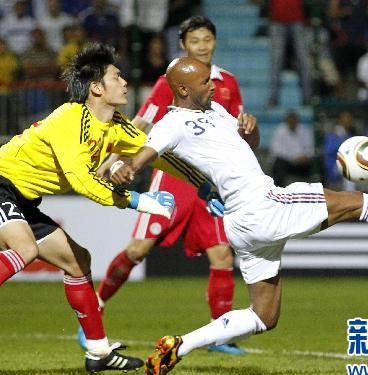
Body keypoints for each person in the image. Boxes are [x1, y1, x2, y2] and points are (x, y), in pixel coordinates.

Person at [110, 57, 368, 375]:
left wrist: (250, 134)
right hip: (262, 205)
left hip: (243, 225)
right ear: (184, 89)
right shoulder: (172, 123)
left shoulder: (216, 111)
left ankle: (180, 345)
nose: (214, 84)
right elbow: (145, 153)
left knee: (263, 316)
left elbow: (242, 148)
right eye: (206, 81)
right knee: (357, 202)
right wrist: (128, 169)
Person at [0, 44, 210, 374]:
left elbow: (157, 153)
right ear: (97, 87)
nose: (125, 83)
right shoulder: (70, 118)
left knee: (78, 261)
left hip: (23, 201)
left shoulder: (116, 126)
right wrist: (138, 201)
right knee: (25, 248)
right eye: (117, 77)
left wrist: (202, 185)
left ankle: (99, 352)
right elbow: (82, 181)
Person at [79, 16, 247, 356]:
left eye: (207, 39)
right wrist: (111, 161)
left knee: (222, 256)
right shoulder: (169, 81)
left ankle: (220, 334)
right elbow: (141, 123)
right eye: (195, 40)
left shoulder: (227, 82)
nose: (202, 45)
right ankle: (94, 310)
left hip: (209, 183)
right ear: (183, 45)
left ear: (214, 42)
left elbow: (237, 128)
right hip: (174, 177)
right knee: (138, 250)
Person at [269, 110, 315, 186]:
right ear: (286, 121)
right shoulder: (279, 131)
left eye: (294, 121)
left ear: (297, 121)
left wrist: (306, 156)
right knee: (279, 163)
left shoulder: (305, 131)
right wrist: (294, 158)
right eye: (290, 121)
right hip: (287, 162)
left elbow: (310, 148)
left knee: (317, 162)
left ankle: (319, 190)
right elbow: (276, 150)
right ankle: (278, 190)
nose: (292, 123)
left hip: (302, 162)